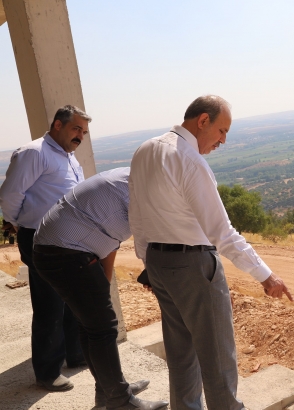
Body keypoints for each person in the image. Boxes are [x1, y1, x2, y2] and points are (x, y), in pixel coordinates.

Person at [129, 95, 293, 410]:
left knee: (181, 356)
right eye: (222, 131)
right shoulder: (189, 160)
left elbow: (135, 215)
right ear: (203, 120)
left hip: (159, 262)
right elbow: (222, 233)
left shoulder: (144, 150)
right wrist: (266, 275)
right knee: (218, 359)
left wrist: (148, 263)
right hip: (193, 264)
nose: (223, 140)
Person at [33, 167, 169, 410]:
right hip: (66, 253)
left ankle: (109, 392)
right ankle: (120, 400)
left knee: (92, 326)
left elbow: (111, 241)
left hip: (58, 250)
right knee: (102, 328)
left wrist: (103, 286)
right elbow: (148, 240)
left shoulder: (132, 178)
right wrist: (156, 279)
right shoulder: (141, 189)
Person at [0, 105, 88, 391]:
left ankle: (75, 355)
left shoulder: (69, 157)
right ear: (58, 125)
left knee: (73, 298)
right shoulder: (34, 152)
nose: (80, 136)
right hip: (41, 238)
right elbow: (10, 195)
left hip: (69, 239)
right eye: (76, 129)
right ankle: (48, 372)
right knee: (49, 303)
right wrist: (20, 223)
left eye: (84, 132)